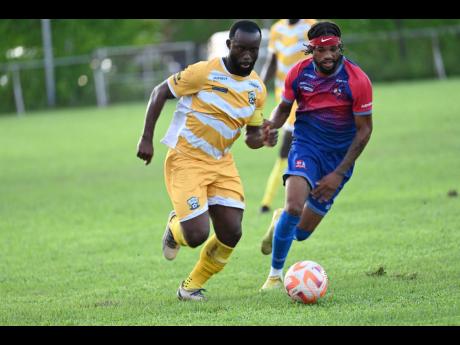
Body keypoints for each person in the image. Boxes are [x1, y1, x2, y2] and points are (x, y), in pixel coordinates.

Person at [136, 20, 278, 301]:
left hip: (221, 162)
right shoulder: (204, 72)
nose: (248, 55)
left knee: (231, 232)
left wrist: (264, 138)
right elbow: (159, 92)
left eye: (253, 49)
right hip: (186, 158)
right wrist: (146, 138)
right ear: (229, 46)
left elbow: (251, 137)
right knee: (197, 234)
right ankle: (174, 228)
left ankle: (190, 288)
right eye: (241, 48)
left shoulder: (256, 89)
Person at [259, 21, 373, 290]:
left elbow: (365, 131)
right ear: (311, 50)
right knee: (294, 206)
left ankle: (280, 224)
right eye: (321, 51)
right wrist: (271, 125)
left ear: (339, 47)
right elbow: (283, 108)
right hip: (306, 146)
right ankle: (275, 275)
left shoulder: (357, 80)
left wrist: (338, 173)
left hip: (338, 159)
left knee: (300, 232)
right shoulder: (298, 73)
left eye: (333, 49)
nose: (328, 56)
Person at [259, 19, 317, 215]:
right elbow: (271, 62)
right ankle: (270, 201)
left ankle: (269, 202)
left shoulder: (310, 25)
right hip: (283, 99)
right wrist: (257, 87)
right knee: (290, 149)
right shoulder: (277, 29)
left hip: (305, 97)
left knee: (291, 147)